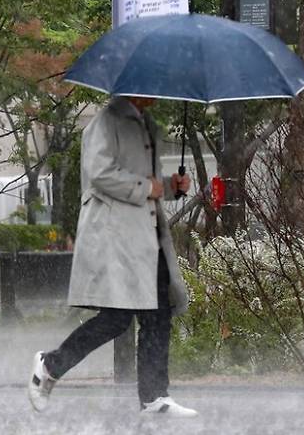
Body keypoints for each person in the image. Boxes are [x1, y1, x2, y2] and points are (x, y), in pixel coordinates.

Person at [28, 97, 197, 417]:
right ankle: (50, 365)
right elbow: (101, 172)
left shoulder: (146, 124)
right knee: (116, 318)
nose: (157, 93)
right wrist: (148, 187)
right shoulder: (104, 122)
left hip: (148, 237)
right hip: (115, 238)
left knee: (158, 315)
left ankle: (154, 397)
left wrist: (172, 187)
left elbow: (151, 186)